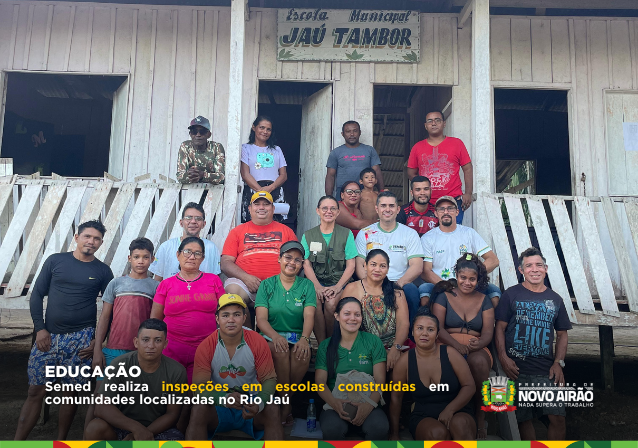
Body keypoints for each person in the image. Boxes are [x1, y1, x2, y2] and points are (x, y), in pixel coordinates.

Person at [15, 220, 114, 441]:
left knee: (69, 395)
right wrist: (40, 329)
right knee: (35, 391)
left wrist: (97, 341)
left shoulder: (103, 271)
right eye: (87, 236)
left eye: (96, 238)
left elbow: (110, 309)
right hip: (48, 337)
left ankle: (61, 442)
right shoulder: (55, 261)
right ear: (77, 237)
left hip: (81, 340)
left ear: (100, 243)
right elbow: (37, 295)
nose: (91, 241)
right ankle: (17, 442)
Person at [495, 247, 572, 440]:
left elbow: (562, 334)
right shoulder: (510, 295)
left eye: (539, 265)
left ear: (545, 268)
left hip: (546, 370)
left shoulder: (555, 299)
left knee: (557, 418)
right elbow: (499, 328)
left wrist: (558, 362)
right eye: (529, 266)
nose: (534, 269)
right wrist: (503, 358)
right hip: (516, 369)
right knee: (522, 419)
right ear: (521, 270)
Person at [186, 294, 283, 440]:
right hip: (220, 405)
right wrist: (225, 399)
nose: (231, 320)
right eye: (225, 315)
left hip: (250, 402)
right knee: (198, 408)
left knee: (273, 408)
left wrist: (259, 403)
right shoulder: (206, 346)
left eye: (236, 315)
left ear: (244, 318)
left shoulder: (257, 341)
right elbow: (199, 387)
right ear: (217, 319)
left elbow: (269, 379)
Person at [86, 237, 159, 427]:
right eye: (136, 257)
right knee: (100, 396)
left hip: (139, 353)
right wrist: (97, 350)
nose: (141, 261)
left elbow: (154, 322)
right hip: (112, 351)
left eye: (145, 257)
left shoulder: (156, 287)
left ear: (153, 259)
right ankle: (88, 436)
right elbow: (104, 318)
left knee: (134, 398)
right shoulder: (116, 283)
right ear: (129, 258)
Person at [84, 319, 187, 441]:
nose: (151, 346)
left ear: (165, 344)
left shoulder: (176, 371)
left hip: (158, 429)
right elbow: (101, 407)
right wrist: (136, 429)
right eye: (145, 340)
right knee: (95, 428)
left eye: (158, 340)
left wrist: (142, 434)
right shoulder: (119, 364)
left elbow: (172, 414)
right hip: (122, 426)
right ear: (136, 342)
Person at [430, 254, 495, 439]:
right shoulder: (444, 297)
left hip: (477, 348)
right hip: (448, 344)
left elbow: (488, 332)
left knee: (480, 364)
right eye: (463, 278)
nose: (467, 282)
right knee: (446, 360)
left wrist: (481, 343)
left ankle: (481, 416)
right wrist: (456, 345)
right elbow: (438, 328)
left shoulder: (485, 300)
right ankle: (445, 413)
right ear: (456, 275)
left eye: (472, 279)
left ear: (478, 279)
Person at [255, 241, 316, 426]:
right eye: (288, 257)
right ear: (279, 259)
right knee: (280, 350)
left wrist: (305, 339)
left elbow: (309, 315)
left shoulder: (307, 285)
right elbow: (261, 320)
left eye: (298, 260)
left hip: (297, 335)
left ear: (302, 264)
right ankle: (287, 406)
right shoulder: (267, 285)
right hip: (270, 336)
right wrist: (275, 336)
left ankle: (284, 401)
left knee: (303, 355)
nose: (292, 263)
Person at [389, 310, 476, 441]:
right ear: (412, 332)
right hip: (423, 415)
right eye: (419, 328)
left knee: (460, 425)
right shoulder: (404, 362)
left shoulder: (450, 353)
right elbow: (396, 398)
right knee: (437, 433)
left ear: (437, 335)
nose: (424, 333)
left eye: (430, 329)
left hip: (458, 410)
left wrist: (450, 410)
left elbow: (469, 386)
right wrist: (394, 433)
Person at [151, 236, 225, 383]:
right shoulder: (166, 284)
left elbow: (224, 313)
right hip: (171, 349)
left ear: (203, 258)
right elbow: (155, 320)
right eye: (187, 252)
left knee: (197, 398)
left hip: (206, 348)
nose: (192, 257)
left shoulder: (213, 280)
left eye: (197, 253)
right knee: (172, 396)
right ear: (178, 255)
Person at [315, 297, 389, 440]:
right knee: (332, 429)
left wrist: (369, 405)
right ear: (337, 316)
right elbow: (320, 383)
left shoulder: (373, 342)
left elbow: (380, 381)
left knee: (379, 428)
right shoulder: (326, 346)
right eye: (347, 313)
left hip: (369, 401)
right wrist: (335, 404)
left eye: (357, 314)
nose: (352, 319)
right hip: (336, 403)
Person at [355, 191, 423, 327]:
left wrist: (397, 285)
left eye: (391, 206)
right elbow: (359, 265)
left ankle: (409, 338)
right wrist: (371, 285)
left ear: (398, 209)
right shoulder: (365, 233)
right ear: (377, 209)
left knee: (412, 292)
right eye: (383, 205)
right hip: (371, 282)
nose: (387, 209)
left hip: (400, 284)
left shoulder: (409, 233)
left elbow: (417, 265)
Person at [419, 195, 501, 308]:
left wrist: (471, 277)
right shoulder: (428, 238)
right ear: (436, 213)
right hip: (439, 284)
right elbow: (425, 271)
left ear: (457, 212)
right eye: (441, 209)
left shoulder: (469, 233)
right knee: (424, 290)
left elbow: (493, 260)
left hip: (468, 283)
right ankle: (429, 324)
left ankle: (494, 326)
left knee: (494, 292)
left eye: (450, 208)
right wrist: (446, 285)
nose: (446, 212)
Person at [221, 191, 297, 308]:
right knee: (234, 297)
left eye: (266, 204)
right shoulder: (237, 231)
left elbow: (296, 260)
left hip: (280, 283)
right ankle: (247, 327)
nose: (261, 207)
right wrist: (245, 278)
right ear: (250, 209)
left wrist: (278, 281)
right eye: (257, 204)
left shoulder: (287, 231)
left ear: (273, 208)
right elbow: (226, 263)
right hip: (244, 283)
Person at [342, 249, 409, 372]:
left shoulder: (397, 293)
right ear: (365, 266)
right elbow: (344, 321)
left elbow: (403, 324)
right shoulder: (352, 288)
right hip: (362, 346)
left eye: (382, 266)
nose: (377, 269)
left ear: (388, 269)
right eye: (373, 264)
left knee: (404, 368)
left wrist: (395, 349)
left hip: (393, 346)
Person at [302, 195, 357, 343]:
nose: (329, 211)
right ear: (318, 211)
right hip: (316, 282)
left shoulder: (347, 234)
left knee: (331, 304)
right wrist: (317, 287)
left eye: (333, 208)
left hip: (340, 282)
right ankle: (321, 345)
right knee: (315, 303)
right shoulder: (308, 235)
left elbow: (351, 265)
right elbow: (306, 264)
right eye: (324, 208)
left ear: (338, 212)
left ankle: (332, 343)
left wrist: (338, 287)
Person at [407, 111, 472, 223]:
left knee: (452, 235)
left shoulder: (457, 143)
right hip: (427, 203)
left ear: (444, 123)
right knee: (427, 236)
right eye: (430, 121)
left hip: (452, 201)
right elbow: (411, 173)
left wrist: (468, 193)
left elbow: (467, 168)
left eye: (437, 120)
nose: (434, 123)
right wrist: (423, 190)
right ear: (425, 126)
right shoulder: (417, 147)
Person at [149, 202, 221, 281]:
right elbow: (158, 280)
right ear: (181, 223)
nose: (193, 221)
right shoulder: (166, 247)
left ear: (204, 224)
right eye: (188, 218)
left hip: (202, 293)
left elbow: (215, 280)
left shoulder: (211, 248)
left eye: (198, 218)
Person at [240, 116, 287, 222]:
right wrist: (260, 192)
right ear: (254, 128)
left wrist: (270, 188)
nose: (265, 131)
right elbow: (245, 174)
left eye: (268, 129)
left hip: (274, 190)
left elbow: (283, 175)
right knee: (251, 223)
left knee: (275, 224)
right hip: (253, 189)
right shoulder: (246, 148)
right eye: (261, 127)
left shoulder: (276, 150)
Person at [325, 120, 385, 196]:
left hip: (365, 191)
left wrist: (382, 191)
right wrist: (328, 197)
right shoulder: (336, 152)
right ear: (343, 134)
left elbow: (376, 171)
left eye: (355, 131)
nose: (352, 134)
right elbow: (330, 175)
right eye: (348, 131)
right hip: (343, 192)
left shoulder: (370, 150)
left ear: (360, 133)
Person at [176, 115, 225, 184]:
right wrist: (191, 175)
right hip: (192, 191)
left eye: (202, 132)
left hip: (213, 192)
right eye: (194, 131)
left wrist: (203, 175)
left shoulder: (216, 147)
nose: (198, 135)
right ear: (190, 134)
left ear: (209, 134)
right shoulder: (185, 146)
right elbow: (180, 176)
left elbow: (221, 177)